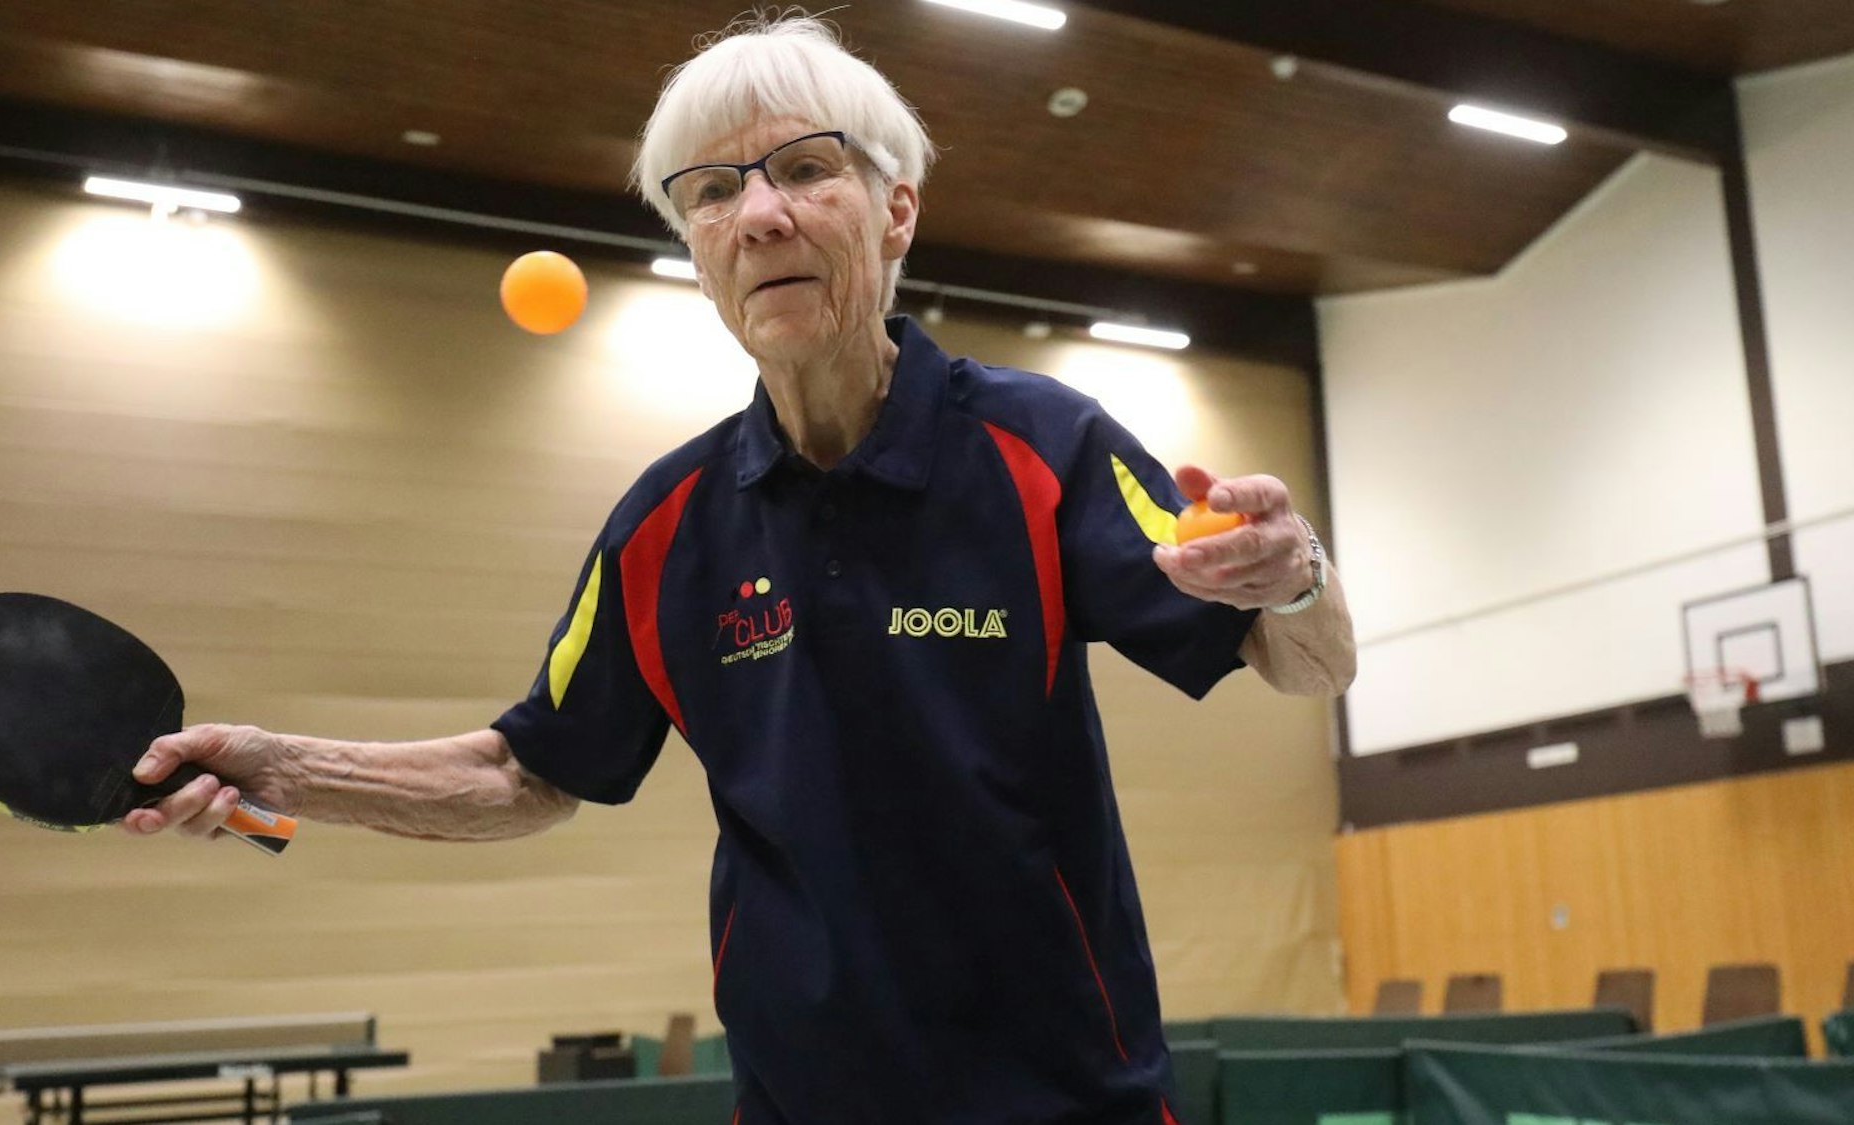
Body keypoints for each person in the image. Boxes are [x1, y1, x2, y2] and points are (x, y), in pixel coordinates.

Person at [126, 14, 1355, 1124]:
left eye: (805, 169)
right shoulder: (664, 526)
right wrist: (282, 767)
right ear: (697, 250)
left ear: (896, 209)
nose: (757, 215)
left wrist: (1291, 572)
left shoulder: (1043, 448)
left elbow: (1303, 667)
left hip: (1065, 1102)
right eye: (710, 193)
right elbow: (529, 770)